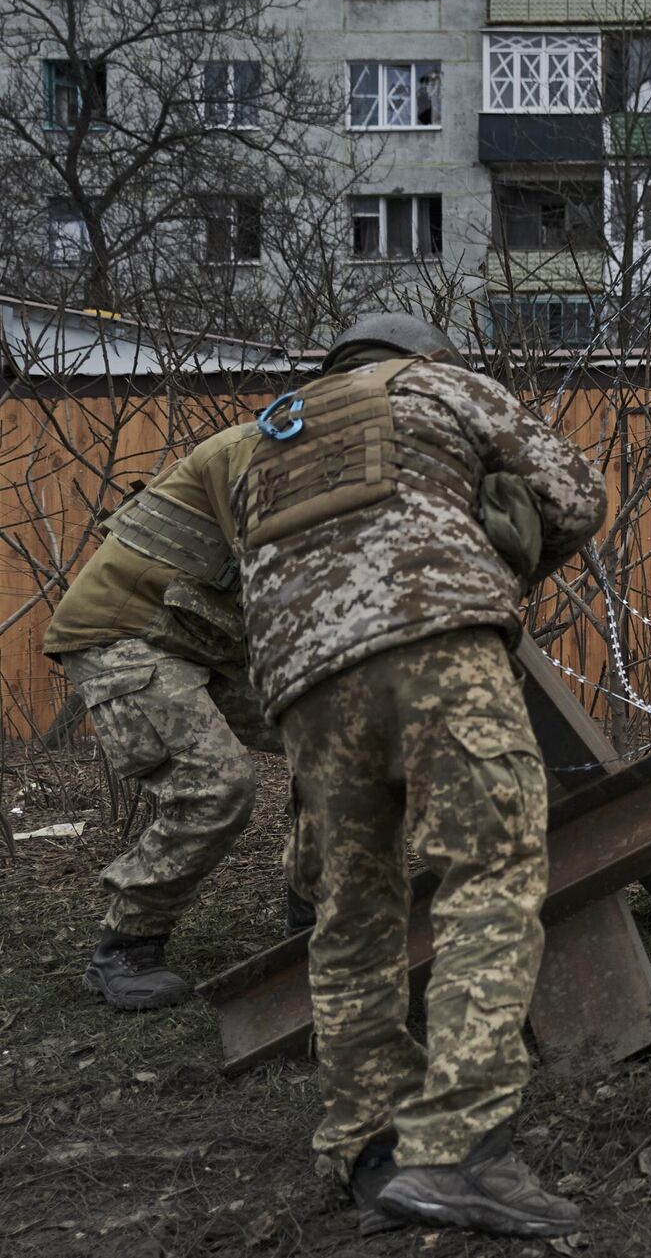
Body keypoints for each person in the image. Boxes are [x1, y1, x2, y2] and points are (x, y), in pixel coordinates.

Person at [237, 313, 606, 1238]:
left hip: (305, 686)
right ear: (419, 353)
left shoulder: (264, 442)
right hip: (436, 639)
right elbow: (575, 493)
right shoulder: (436, 385)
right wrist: (509, 559)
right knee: (491, 866)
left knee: (351, 911)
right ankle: (459, 1149)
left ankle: (371, 1153)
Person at [44, 422, 301, 1011]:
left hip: (200, 636)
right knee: (217, 786)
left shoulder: (348, 453)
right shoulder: (262, 448)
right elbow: (286, 570)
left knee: (340, 737)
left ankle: (315, 910)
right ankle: (127, 946)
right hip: (124, 633)